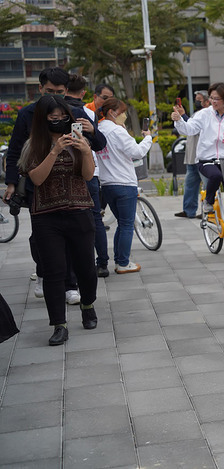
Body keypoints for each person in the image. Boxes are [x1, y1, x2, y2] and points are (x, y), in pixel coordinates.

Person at [3, 67, 107, 301]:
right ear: (40, 89)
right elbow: (15, 150)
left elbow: (99, 145)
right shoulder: (28, 115)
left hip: (77, 184)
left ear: (67, 90)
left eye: (60, 91)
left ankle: (71, 285)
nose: (56, 96)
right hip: (40, 188)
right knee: (41, 238)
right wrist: (11, 183)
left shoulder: (76, 113)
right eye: (49, 91)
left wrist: (92, 132)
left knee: (75, 237)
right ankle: (44, 271)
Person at [18, 95, 98, 345]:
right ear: (43, 121)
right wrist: (55, 151)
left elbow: (87, 175)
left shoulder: (78, 141)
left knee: (86, 266)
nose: (59, 122)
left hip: (79, 211)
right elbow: (37, 179)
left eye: (63, 118)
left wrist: (85, 151)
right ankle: (59, 325)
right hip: (46, 216)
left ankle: (87, 305)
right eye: (53, 119)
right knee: (54, 271)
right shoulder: (34, 145)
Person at [96, 99, 152, 274]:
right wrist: (148, 138)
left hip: (107, 184)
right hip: (124, 183)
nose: (124, 115)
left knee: (122, 224)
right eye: (122, 112)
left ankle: (121, 260)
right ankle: (122, 262)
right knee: (127, 224)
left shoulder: (99, 129)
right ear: (112, 112)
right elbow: (137, 152)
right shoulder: (117, 131)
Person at [64, 74, 110, 278]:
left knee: (64, 219)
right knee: (94, 218)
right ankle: (102, 263)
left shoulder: (51, 112)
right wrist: (92, 131)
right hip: (89, 171)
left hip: (62, 170)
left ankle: (69, 267)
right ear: (83, 93)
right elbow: (100, 145)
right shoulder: (88, 113)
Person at [172, 83, 224, 214]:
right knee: (215, 176)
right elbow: (189, 129)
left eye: (217, 99)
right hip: (206, 159)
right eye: (211, 98)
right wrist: (179, 121)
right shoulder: (204, 114)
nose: (213, 102)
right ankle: (208, 202)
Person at [175, 90, 212, 219]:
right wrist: (183, 116)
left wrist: (183, 117)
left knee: (208, 185)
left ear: (208, 101)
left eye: (199, 100)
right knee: (190, 185)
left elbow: (193, 127)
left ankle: (208, 210)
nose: (197, 102)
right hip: (192, 156)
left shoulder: (209, 114)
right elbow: (189, 126)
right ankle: (188, 210)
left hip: (202, 156)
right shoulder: (198, 113)